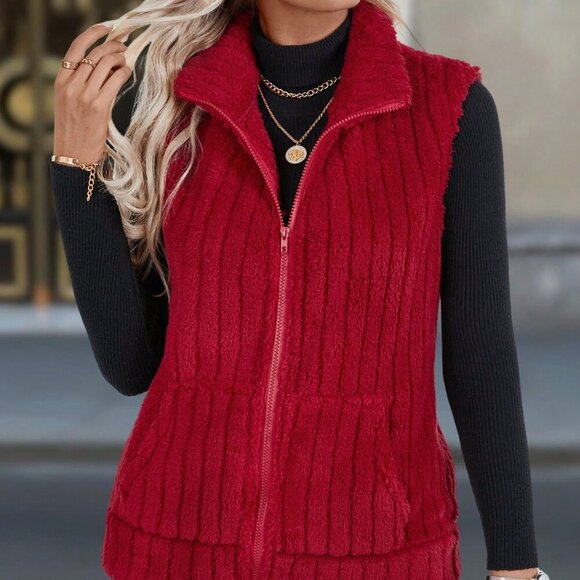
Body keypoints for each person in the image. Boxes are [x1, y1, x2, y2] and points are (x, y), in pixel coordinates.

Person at [49, 1, 548, 579]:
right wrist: (74, 166)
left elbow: (481, 356)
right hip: (177, 546)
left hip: (377, 555)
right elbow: (132, 362)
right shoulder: (177, 104)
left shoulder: (448, 107)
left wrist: (516, 567)